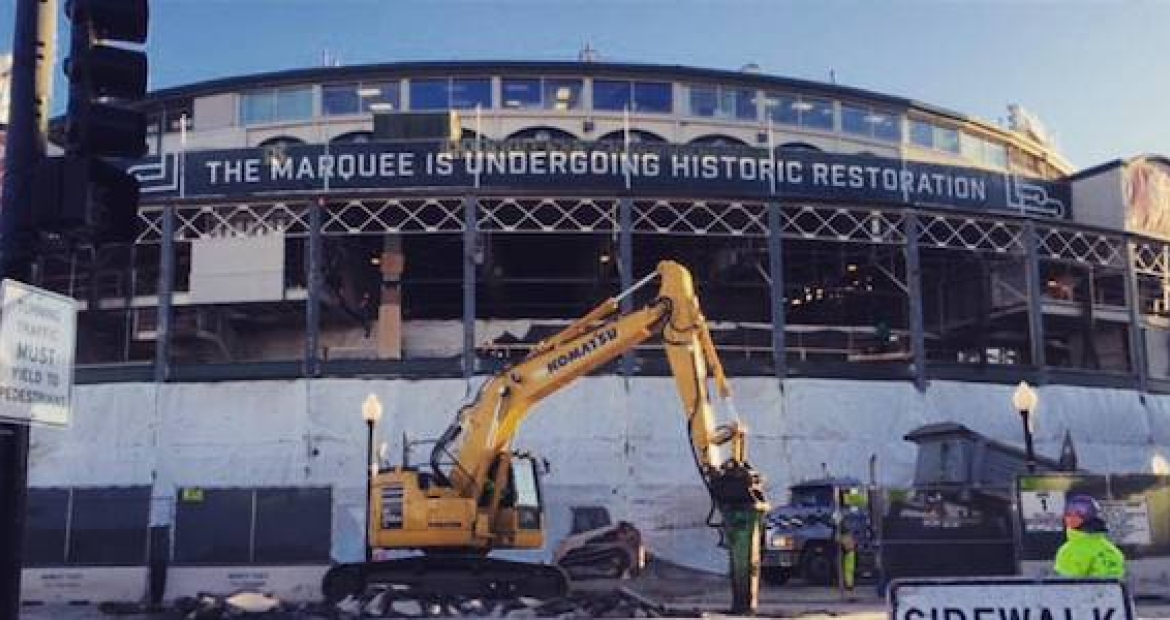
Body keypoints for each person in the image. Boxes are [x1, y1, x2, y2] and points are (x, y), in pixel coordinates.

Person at [1054, 495, 1126, 578]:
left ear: (1092, 515)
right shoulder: (1111, 549)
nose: (1072, 516)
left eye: (1080, 512)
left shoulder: (1069, 551)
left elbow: (1065, 587)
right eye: (1068, 512)